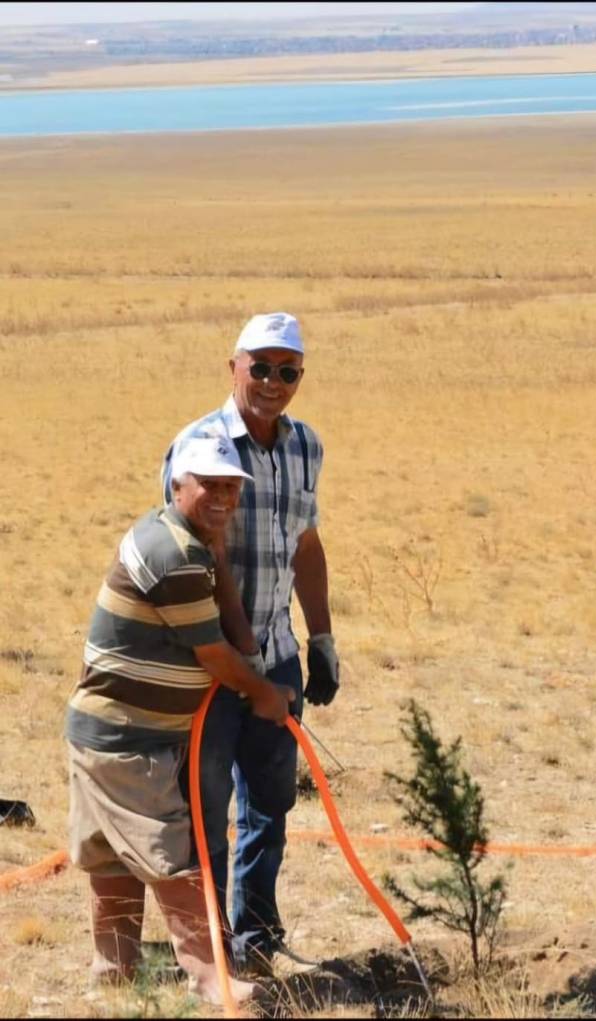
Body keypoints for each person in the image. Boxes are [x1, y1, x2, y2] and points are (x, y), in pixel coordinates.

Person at [65, 436, 295, 1004]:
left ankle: (113, 974)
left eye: (230, 487)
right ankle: (210, 979)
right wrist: (265, 694)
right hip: (125, 737)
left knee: (113, 856)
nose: (221, 497)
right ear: (177, 484)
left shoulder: (191, 545)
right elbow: (218, 655)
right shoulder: (171, 553)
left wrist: (219, 556)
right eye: (208, 485)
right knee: (173, 856)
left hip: (113, 733)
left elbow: (238, 638)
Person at [161, 311, 339, 974]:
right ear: (232, 366)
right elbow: (180, 555)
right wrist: (238, 664)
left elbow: (306, 544)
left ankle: (255, 934)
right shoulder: (199, 445)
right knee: (203, 810)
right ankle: (203, 949)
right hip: (209, 667)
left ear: (300, 376)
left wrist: (320, 639)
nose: (271, 381)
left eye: (286, 370)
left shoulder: (306, 447)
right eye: (258, 367)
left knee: (270, 803)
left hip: (278, 654)